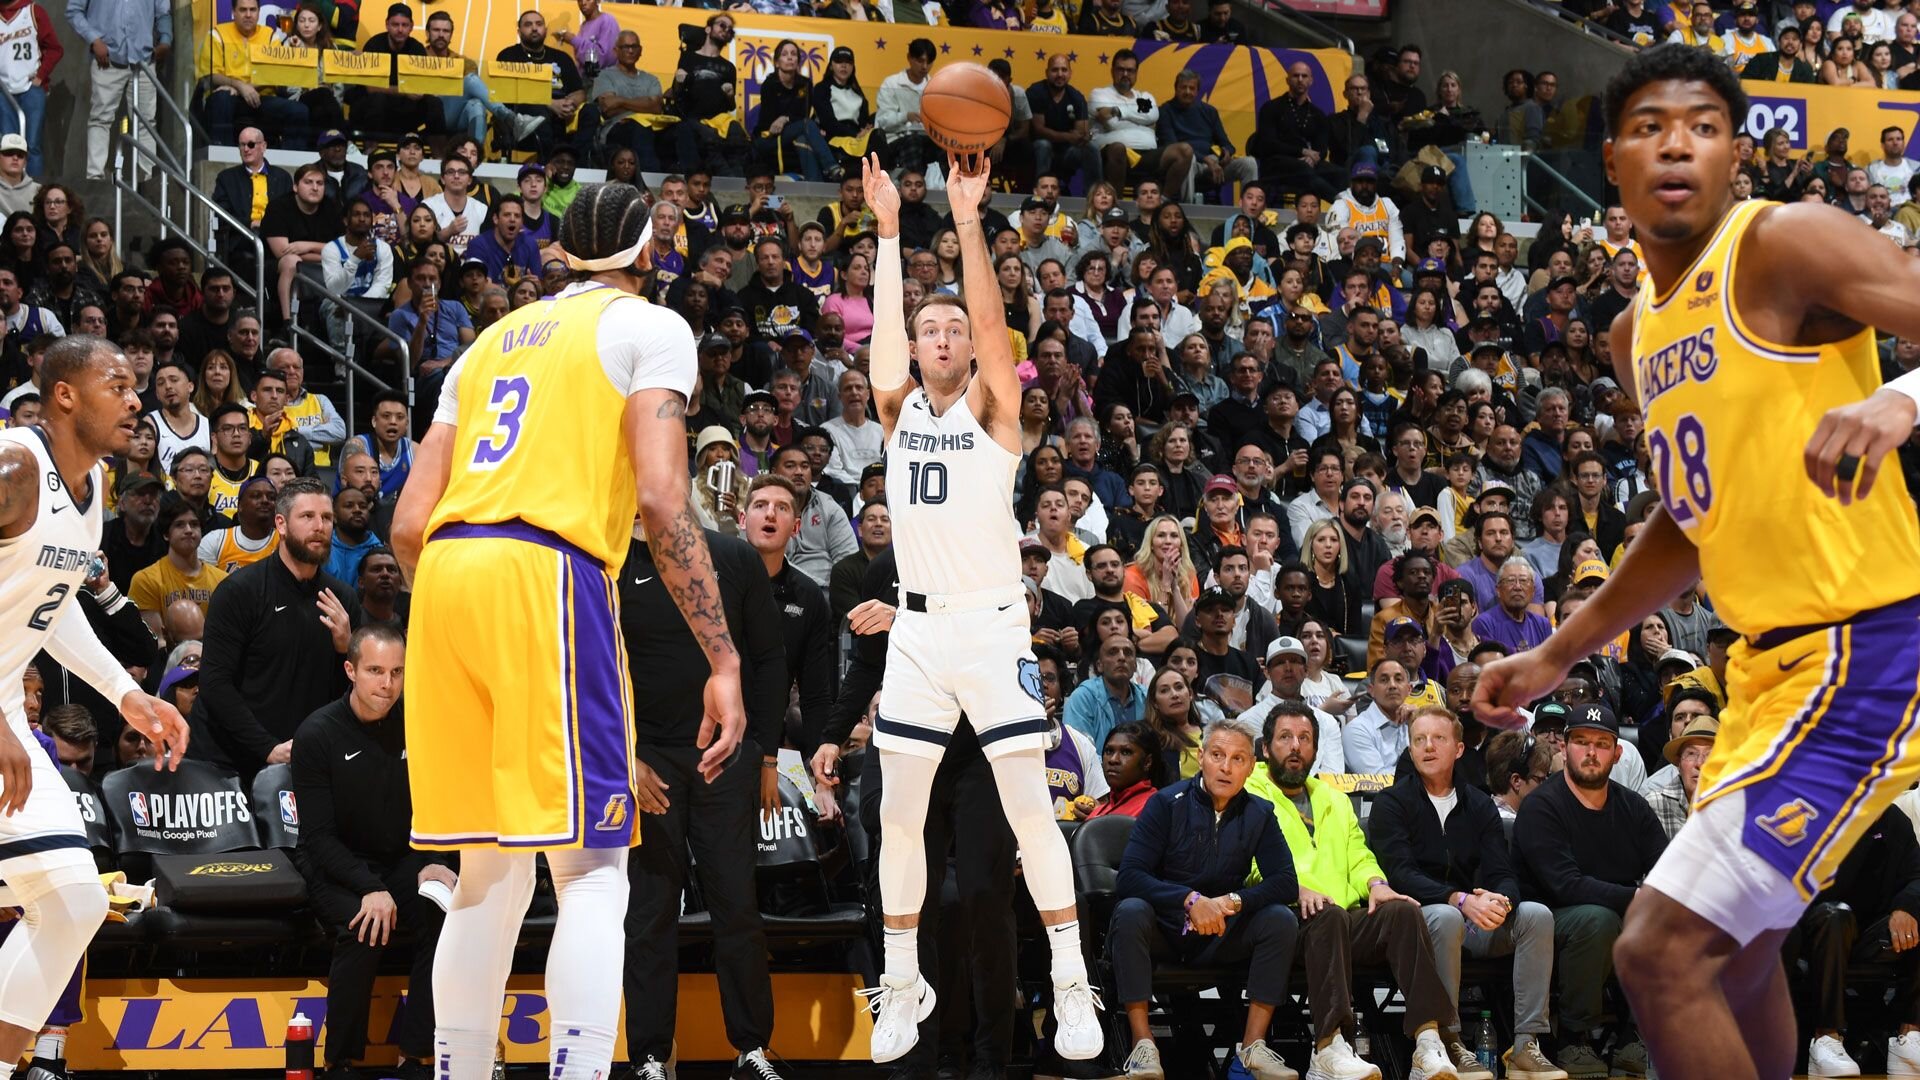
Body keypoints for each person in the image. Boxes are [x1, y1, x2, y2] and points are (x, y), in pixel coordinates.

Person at [1472, 43, 1920, 1080]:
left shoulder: (1783, 245)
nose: (1677, 141)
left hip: (1866, 648)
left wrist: (1901, 397)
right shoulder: (1636, 334)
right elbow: (1688, 518)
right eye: (1649, 125)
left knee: (1659, 952)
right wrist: (1555, 653)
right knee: (1735, 963)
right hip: (1764, 673)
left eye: (1706, 124)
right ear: (1611, 164)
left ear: (1735, 162)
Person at [389, 182, 742, 1080]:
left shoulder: (487, 342)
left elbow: (406, 523)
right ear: (649, 251)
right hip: (544, 570)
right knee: (590, 868)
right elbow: (665, 500)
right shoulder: (649, 327)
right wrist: (723, 656)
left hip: (446, 578)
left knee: (484, 873)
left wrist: (463, 608)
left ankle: (461, 1070)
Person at [857, 154, 1102, 1063]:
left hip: (994, 623)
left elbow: (996, 326)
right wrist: (886, 231)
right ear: (917, 349)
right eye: (932, 329)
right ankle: (902, 974)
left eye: (955, 326)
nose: (946, 336)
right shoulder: (896, 410)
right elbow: (885, 329)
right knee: (898, 814)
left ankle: (1073, 980)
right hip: (917, 630)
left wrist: (967, 221)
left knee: (1029, 809)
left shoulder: (997, 413)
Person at [0, 335, 189, 1078]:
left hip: (9, 703)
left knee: (75, 902)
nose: (136, 399)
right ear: (65, 396)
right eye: (117, 384)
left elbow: (51, 605)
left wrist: (126, 692)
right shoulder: (15, 464)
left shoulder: (95, 487)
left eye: (136, 385)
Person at [618, 508, 788, 1080]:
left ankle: (752, 1047)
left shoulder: (736, 558)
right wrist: (626, 755)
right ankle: (647, 1055)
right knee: (649, 912)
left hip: (726, 756)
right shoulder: (612, 558)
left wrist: (765, 754)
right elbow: (595, 668)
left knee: (737, 905)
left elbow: (767, 660)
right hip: (648, 761)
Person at [1244, 702, 1460, 1080]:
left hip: (1340, 918)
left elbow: (1359, 853)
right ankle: (1329, 1047)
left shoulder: (1334, 798)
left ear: (1315, 749)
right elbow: (1241, 862)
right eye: (1285, 737)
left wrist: (1376, 884)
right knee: (1328, 917)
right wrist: (1294, 886)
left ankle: (1428, 1042)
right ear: (1265, 748)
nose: (1295, 746)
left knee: (1403, 912)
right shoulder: (1248, 792)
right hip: (1282, 918)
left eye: (1304, 738)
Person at [1369, 706, 1567, 1080]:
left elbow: (1502, 871)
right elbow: (1401, 874)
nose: (1428, 747)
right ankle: (1450, 1040)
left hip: (1472, 918)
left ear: (1458, 749)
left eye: (1438, 739)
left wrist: (1501, 902)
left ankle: (1526, 1045)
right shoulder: (1390, 803)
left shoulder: (1478, 804)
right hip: (1418, 922)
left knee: (1536, 914)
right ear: (1410, 750)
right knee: (1445, 916)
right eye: (1419, 740)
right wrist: (1458, 899)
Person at [291, 624, 451, 1080]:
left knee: (443, 915)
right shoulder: (317, 734)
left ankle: (417, 1056)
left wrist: (432, 860)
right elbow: (318, 837)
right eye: (376, 671)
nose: (388, 684)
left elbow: (437, 805)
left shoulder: (417, 723)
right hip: (336, 864)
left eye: (397, 672)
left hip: (401, 860)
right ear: (351, 670)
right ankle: (341, 1061)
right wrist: (370, 888)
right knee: (364, 927)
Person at [1109, 714, 1301, 1080]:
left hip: (1222, 932)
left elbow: (1285, 882)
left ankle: (1251, 1049)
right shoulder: (1166, 803)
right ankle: (1142, 1045)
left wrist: (1231, 902)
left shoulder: (1260, 812)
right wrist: (1190, 900)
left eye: (1237, 759)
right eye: (1217, 755)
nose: (1225, 767)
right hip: (1166, 931)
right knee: (1131, 910)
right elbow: (1130, 876)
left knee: (1280, 918)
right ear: (1202, 757)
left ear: (1252, 766)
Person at [1507, 702, 1665, 1078]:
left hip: (1615, 914)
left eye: (1601, 743)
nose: (1590, 752)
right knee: (1598, 920)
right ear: (1564, 747)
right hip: (1546, 921)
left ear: (1617, 752)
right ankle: (1574, 1039)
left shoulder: (1634, 807)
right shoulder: (1542, 807)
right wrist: (1636, 899)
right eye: (1581, 741)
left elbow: (1668, 869)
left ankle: (1634, 1037)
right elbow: (1565, 884)